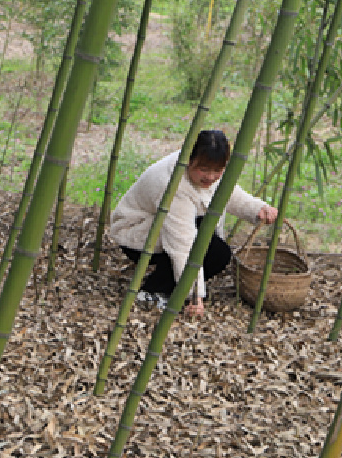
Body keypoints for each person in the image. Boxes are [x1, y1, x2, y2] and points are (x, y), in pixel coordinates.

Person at [108, 129, 277, 317]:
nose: (210, 177)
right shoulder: (173, 184)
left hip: (162, 227)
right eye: (203, 170)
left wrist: (258, 209)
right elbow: (182, 244)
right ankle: (153, 290)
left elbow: (229, 193)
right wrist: (195, 296)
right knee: (215, 252)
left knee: (212, 246)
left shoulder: (206, 170)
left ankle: (170, 283)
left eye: (217, 171)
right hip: (135, 233)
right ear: (189, 159)